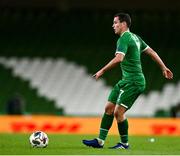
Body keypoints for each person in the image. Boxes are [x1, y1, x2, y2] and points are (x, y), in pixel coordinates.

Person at [82, 13, 173, 149]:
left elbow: (119, 58)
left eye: (115, 22)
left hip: (134, 81)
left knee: (118, 112)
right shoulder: (136, 38)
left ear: (123, 24)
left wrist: (102, 71)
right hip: (126, 80)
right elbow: (152, 52)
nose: (113, 25)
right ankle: (100, 141)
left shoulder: (124, 38)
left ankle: (124, 144)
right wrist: (163, 67)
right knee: (109, 108)